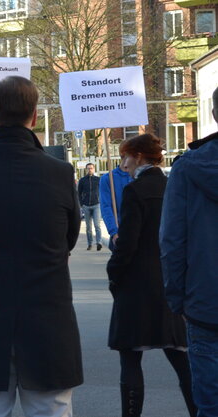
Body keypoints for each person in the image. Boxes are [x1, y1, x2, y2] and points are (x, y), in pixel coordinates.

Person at [0, 76, 83, 416]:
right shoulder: (61, 172)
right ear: (34, 117)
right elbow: (68, 239)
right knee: (51, 410)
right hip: (47, 317)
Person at [106, 134, 195, 417]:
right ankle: (199, 411)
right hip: (169, 282)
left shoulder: (135, 191)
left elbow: (128, 243)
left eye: (126, 157)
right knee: (182, 359)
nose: (124, 164)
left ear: (139, 157)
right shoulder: (171, 186)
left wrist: (113, 271)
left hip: (136, 286)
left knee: (130, 360)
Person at [161, 86, 218, 416]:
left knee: (209, 403)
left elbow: (171, 241)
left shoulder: (187, 168)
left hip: (204, 304)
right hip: (201, 303)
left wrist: (177, 297)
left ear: (212, 114)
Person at [100, 159, 132, 250]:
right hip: (120, 232)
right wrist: (114, 232)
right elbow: (106, 207)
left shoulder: (140, 177)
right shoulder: (108, 178)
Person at [77, 163, 103, 251]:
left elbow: (103, 192)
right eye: (88, 168)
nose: (90, 170)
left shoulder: (98, 180)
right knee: (88, 227)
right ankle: (90, 244)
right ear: (86, 170)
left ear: (94, 169)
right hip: (86, 206)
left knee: (97, 225)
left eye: (91, 168)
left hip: (96, 205)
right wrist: (81, 204)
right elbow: (79, 193)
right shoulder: (82, 180)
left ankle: (99, 242)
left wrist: (101, 201)